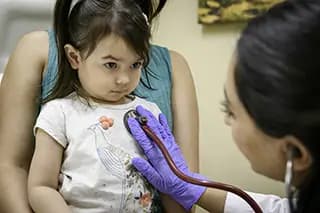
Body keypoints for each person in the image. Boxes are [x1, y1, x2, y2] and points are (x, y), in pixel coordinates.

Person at [0, 0, 199, 212]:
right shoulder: (59, 112)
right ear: (74, 57)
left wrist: (177, 184)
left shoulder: (150, 112)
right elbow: (36, 184)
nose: (124, 79)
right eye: (111, 65)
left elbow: (184, 193)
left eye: (136, 65)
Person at [127, 0, 320, 212]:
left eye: (231, 111)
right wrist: (192, 188)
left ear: (296, 153)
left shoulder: (171, 65)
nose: (227, 120)